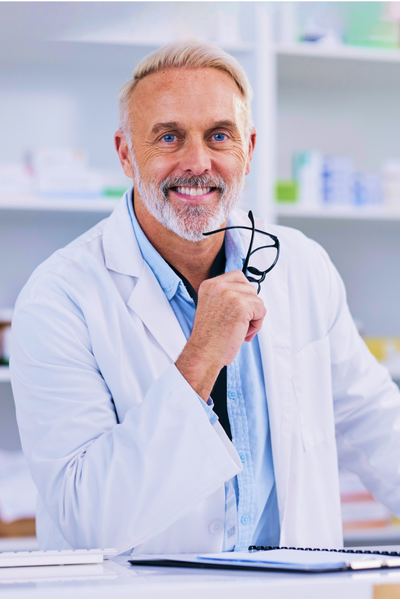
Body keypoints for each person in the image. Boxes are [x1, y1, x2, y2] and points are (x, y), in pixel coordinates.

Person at [10, 40, 400, 555]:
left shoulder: (301, 266)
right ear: (126, 154)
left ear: (250, 148)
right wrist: (201, 355)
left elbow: (373, 423)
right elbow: (88, 522)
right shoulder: (59, 298)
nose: (198, 162)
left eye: (219, 135)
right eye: (169, 137)